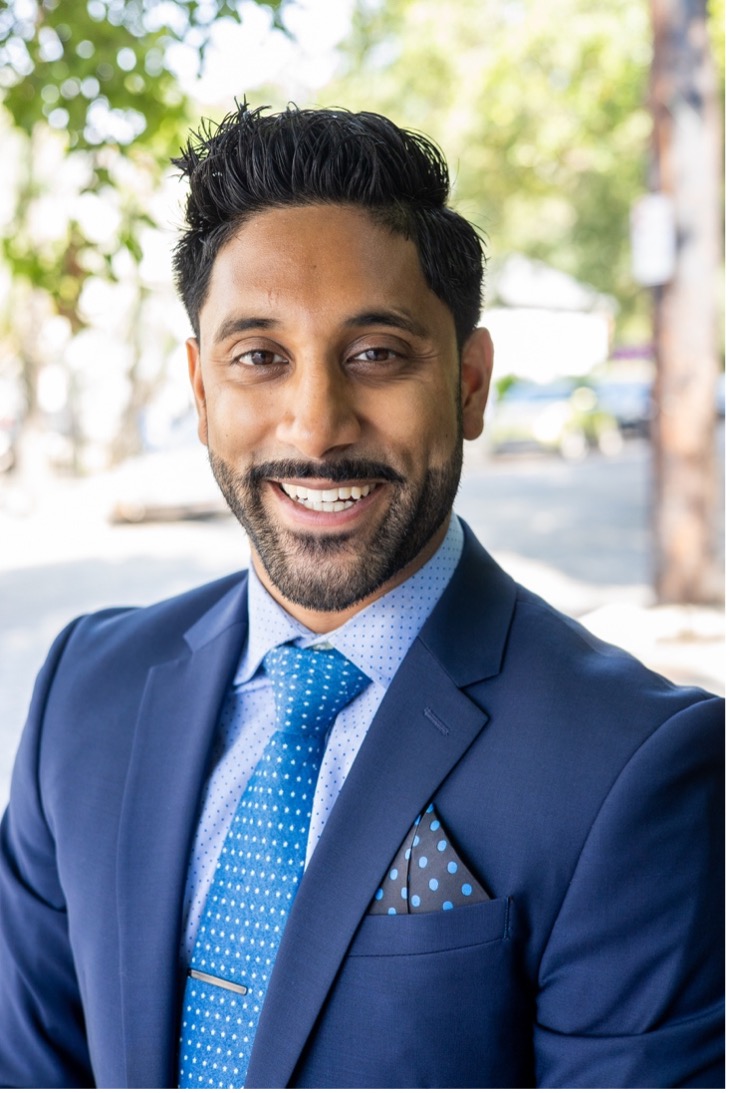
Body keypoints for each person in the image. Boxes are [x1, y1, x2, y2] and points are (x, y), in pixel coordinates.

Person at [0, 102, 722, 1090]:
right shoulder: (87, 688)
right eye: (259, 357)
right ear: (202, 391)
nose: (317, 422)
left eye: (376, 353)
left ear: (469, 384)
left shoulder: (637, 763)